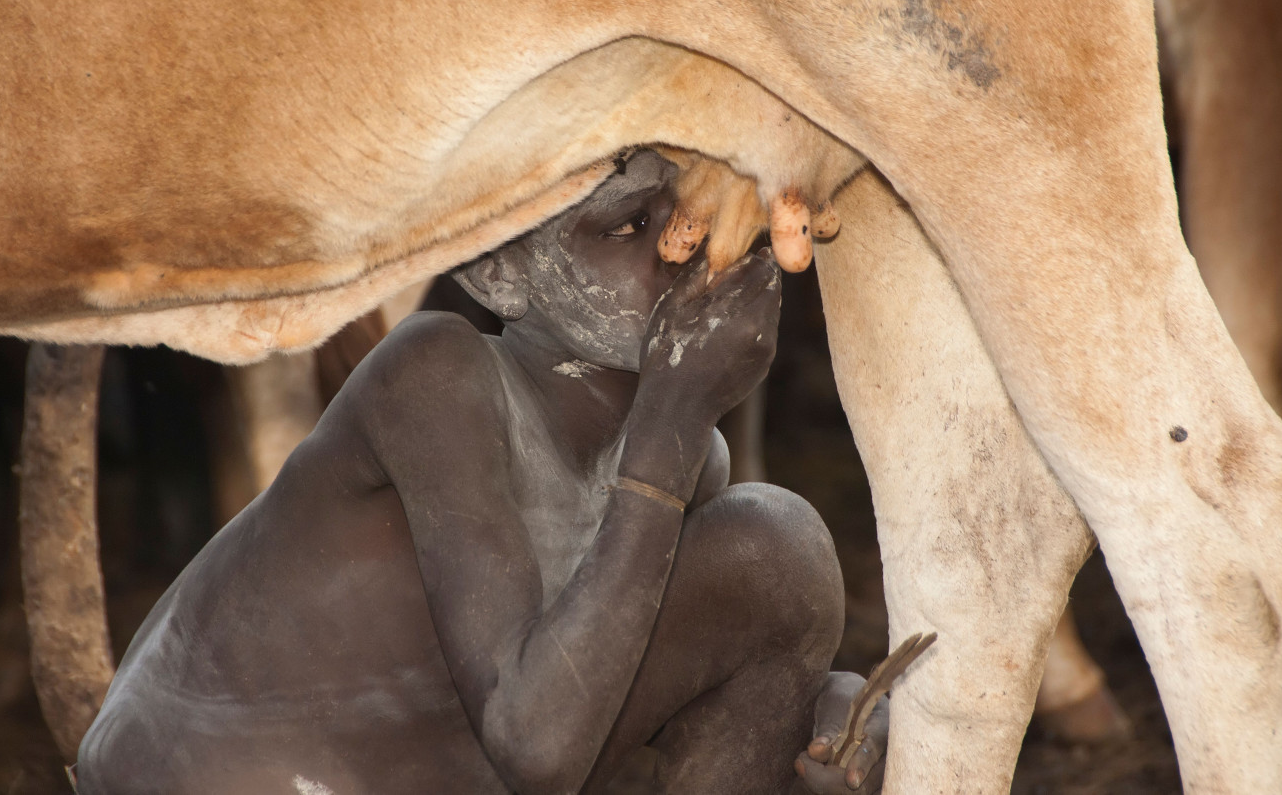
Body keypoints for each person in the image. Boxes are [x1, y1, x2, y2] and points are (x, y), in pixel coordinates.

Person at [76, 149, 888, 794]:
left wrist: (822, 714)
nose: (675, 250)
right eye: (626, 226)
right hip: (211, 774)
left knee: (777, 556)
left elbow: (623, 693)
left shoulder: (688, 463)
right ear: (497, 272)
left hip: (457, 760)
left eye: (686, 219)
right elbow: (539, 753)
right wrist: (674, 413)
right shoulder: (440, 376)